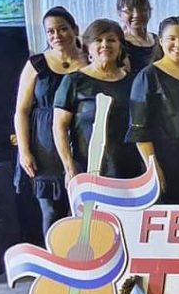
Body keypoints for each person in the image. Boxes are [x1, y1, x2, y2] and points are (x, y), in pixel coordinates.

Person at [13, 6, 86, 233]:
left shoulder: (90, 60)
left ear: (75, 29)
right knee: (51, 211)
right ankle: (53, 255)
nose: (57, 35)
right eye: (50, 31)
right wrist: (24, 151)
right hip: (44, 145)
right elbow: (21, 110)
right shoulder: (36, 64)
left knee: (84, 210)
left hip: (82, 139)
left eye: (62, 29)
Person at [127, 16, 179, 204]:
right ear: (160, 40)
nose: (178, 45)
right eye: (171, 39)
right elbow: (139, 130)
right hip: (166, 162)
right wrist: (153, 167)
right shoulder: (148, 76)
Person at [53, 19, 143, 182]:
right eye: (98, 40)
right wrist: (69, 166)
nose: (105, 45)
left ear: (120, 46)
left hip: (132, 171)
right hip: (88, 171)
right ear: (88, 46)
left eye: (111, 40)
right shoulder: (74, 81)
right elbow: (59, 126)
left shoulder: (135, 82)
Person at [116, 0, 157, 72]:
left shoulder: (157, 39)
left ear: (150, 12)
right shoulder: (120, 44)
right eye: (129, 10)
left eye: (142, 9)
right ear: (119, 14)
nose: (136, 15)